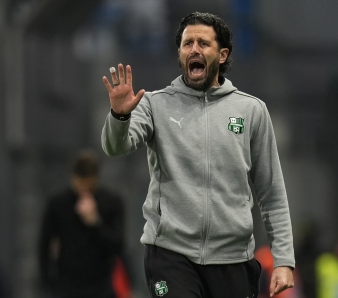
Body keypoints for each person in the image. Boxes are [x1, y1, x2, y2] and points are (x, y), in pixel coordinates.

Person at [101, 11, 294, 298]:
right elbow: (116, 147)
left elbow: (272, 193)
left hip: (232, 260)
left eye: (203, 43)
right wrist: (119, 115)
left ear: (223, 54)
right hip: (171, 255)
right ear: (179, 53)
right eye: (187, 43)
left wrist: (284, 261)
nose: (194, 49)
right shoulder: (154, 105)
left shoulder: (251, 111)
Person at [38, 149, 126, 298]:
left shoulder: (111, 202)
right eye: (80, 183)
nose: (84, 189)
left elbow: (118, 245)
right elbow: (44, 244)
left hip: (101, 287)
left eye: (89, 184)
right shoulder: (58, 203)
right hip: (66, 287)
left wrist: (95, 223)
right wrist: (48, 283)